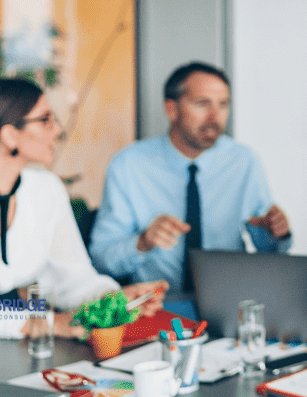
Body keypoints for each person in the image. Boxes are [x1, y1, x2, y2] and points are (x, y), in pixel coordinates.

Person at [0, 77, 165, 339]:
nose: (58, 130)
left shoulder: (46, 188)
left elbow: (72, 278)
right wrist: (47, 324)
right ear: (10, 135)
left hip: (17, 338)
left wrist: (115, 298)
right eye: (45, 120)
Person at [89, 62, 292, 292]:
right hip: (156, 305)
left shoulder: (243, 162)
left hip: (228, 300)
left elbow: (272, 252)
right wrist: (143, 242)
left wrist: (275, 233)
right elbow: (101, 259)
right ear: (171, 109)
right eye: (202, 104)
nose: (215, 117)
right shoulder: (128, 165)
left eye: (223, 104)